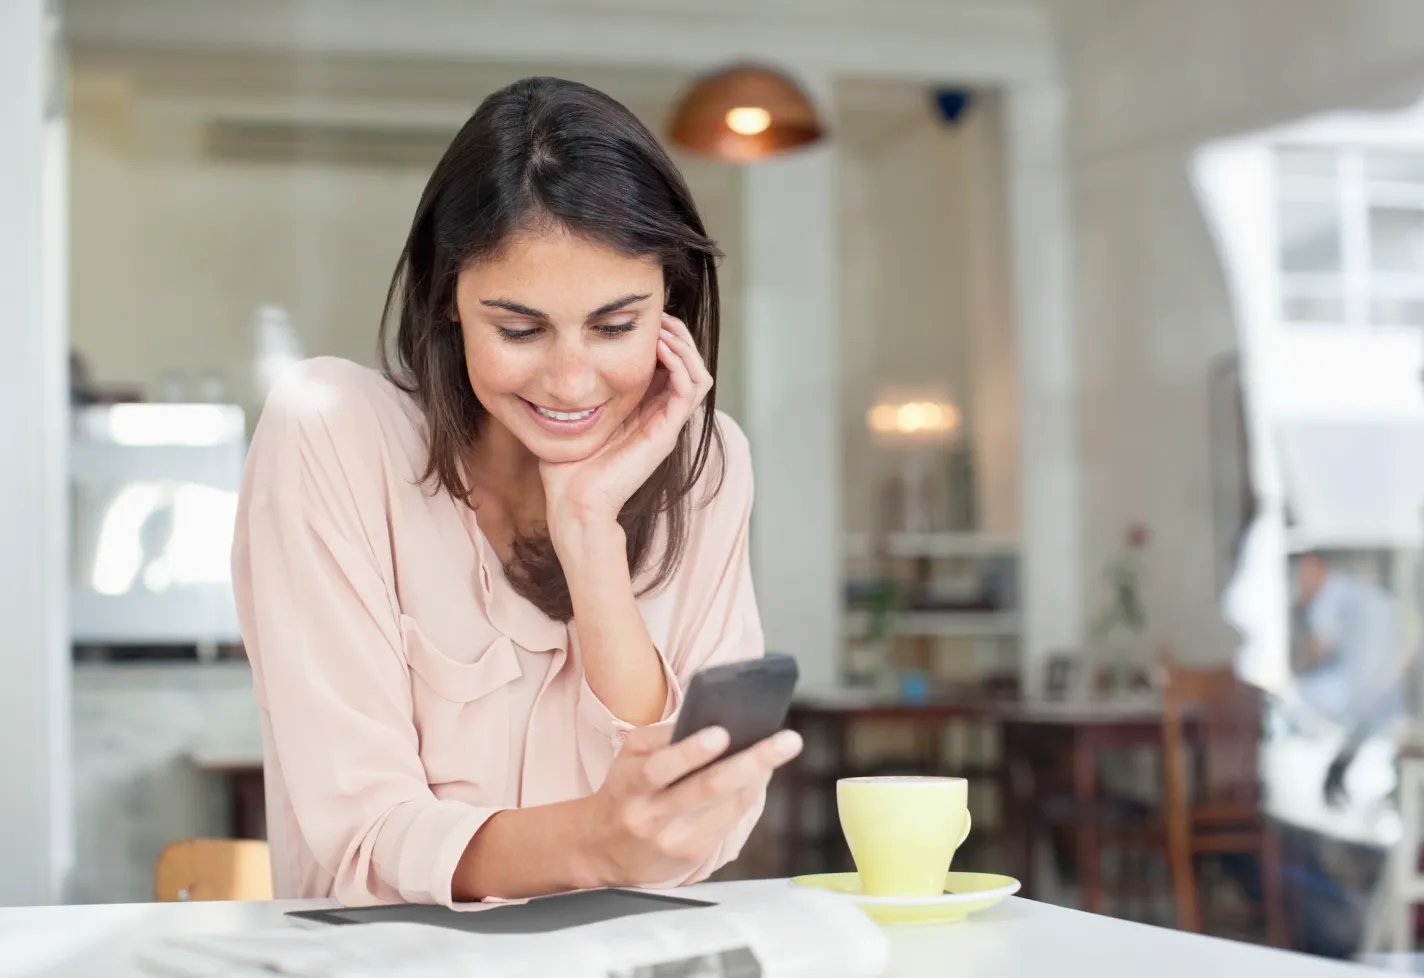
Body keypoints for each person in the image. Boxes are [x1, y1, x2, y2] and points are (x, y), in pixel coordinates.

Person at [230, 77, 803, 907]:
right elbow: (363, 839)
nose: (571, 381)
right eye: (520, 329)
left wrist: (590, 534)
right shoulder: (333, 433)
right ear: (449, 303)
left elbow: (692, 828)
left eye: (616, 326)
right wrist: (598, 841)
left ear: (669, 310)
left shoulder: (706, 470)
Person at [1290, 551, 1408, 806]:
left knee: (1305, 696)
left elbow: (1317, 647)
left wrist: (1293, 674)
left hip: (1377, 691)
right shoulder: (1350, 591)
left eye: (1297, 578)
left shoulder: (1329, 597)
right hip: (1384, 691)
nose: (1297, 587)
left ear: (1311, 564)